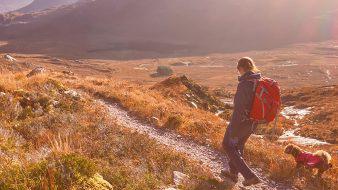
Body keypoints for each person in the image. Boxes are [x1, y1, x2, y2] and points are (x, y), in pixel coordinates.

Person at [222, 57, 261, 186]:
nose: (238, 72)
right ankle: (233, 174)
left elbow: (238, 109)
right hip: (253, 122)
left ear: (241, 68)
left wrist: (233, 128)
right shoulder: (258, 81)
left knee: (227, 145)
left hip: (242, 122)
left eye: (238, 69)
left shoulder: (244, 84)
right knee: (238, 146)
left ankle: (249, 176)